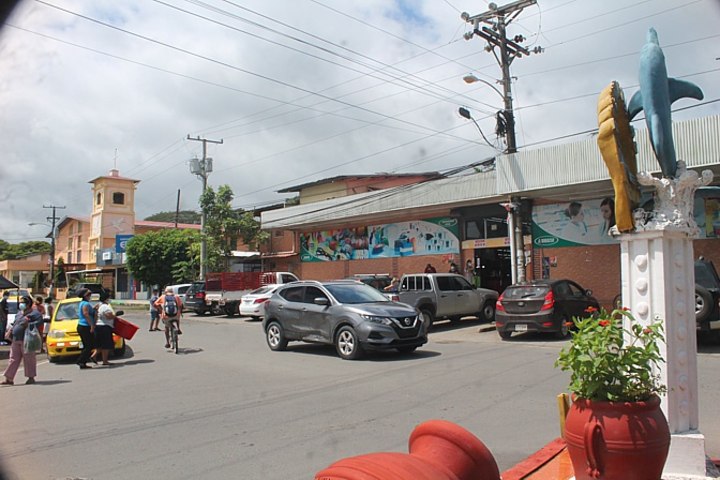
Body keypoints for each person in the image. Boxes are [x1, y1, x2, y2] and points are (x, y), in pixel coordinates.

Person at [2, 295, 43, 385]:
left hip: (27, 339)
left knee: (29, 359)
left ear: (28, 304)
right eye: (21, 303)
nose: (21, 304)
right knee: (13, 359)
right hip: (16, 339)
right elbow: (15, 323)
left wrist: (29, 324)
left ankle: (31, 377)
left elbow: (39, 322)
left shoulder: (35, 314)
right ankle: (9, 379)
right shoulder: (19, 313)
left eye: (23, 303)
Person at [76, 288, 97, 369]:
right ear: (85, 296)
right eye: (88, 295)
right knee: (88, 345)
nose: (90, 296)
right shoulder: (85, 304)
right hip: (85, 326)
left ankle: (82, 362)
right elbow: (85, 314)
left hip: (83, 326)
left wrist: (94, 309)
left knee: (88, 345)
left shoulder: (84, 303)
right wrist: (91, 325)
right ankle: (80, 361)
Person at [94, 291, 116, 366]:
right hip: (105, 327)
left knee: (100, 344)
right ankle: (105, 361)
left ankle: (93, 356)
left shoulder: (99, 306)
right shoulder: (105, 307)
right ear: (106, 299)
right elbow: (108, 316)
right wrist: (114, 316)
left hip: (98, 326)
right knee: (106, 345)